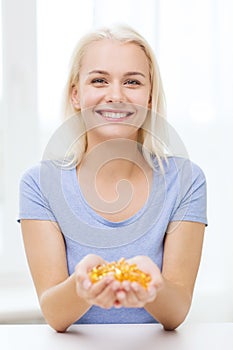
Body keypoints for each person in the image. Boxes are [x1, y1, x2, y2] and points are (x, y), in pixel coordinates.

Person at [18, 25, 207, 332]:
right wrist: (81, 287)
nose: (116, 95)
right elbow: (54, 314)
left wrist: (153, 286)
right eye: (99, 80)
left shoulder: (186, 180)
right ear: (76, 95)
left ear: (149, 98)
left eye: (132, 82)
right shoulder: (39, 184)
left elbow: (177, 312)